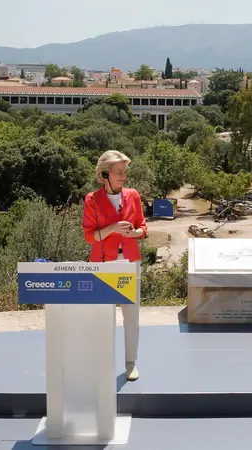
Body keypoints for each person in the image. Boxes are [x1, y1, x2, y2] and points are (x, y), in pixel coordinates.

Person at [82, 150, 147, 381]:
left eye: (125, 172)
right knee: (103, 317)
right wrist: (112, 229)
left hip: (129, 262)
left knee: (131, 316)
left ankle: (131, 363)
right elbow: (90, 237)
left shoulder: (133, 195)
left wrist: (134, 233)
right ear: (104, 174)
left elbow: (142, 228)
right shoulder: (92, 200)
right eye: (119, 172)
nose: (123, 176)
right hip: (104, 264)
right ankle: (102, 363)